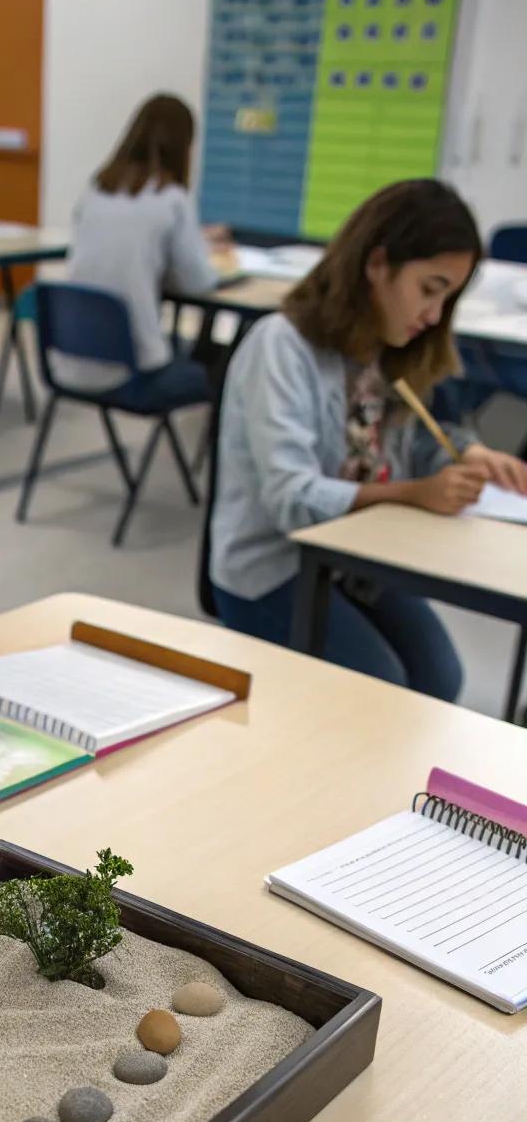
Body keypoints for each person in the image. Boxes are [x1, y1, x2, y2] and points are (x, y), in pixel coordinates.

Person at [209, 179, 527, 701]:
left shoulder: (386, 348)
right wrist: (413, 493)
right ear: (377, 264)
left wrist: (470, 452)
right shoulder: (282, 347)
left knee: (441, 678)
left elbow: (416, 437)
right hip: (271, 570)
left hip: (356, 561)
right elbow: (292, 500)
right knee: (383, 692)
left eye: (447, 298)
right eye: (430, 289)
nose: (433, 316)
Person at [57, 93, 226, 395]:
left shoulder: (96, 190)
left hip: (69, 357)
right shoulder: (173, 199)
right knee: (222, 367)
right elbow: (198, 282)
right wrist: (209, 255)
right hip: (130, 372)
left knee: (185, 346)